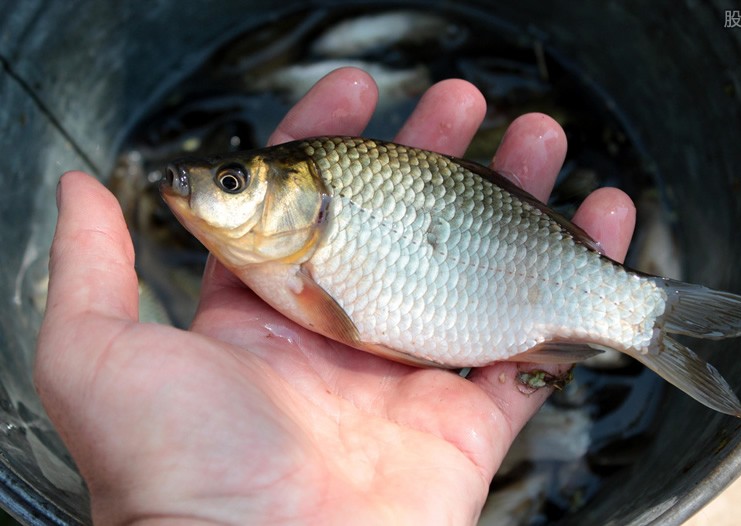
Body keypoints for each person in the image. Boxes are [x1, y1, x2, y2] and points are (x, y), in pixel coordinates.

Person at [35, 68, 635, 524]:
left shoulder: (289, 266)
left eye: (231, 182)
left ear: (310, 203)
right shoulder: (278, 264)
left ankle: (642, 314)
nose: (192, 187)